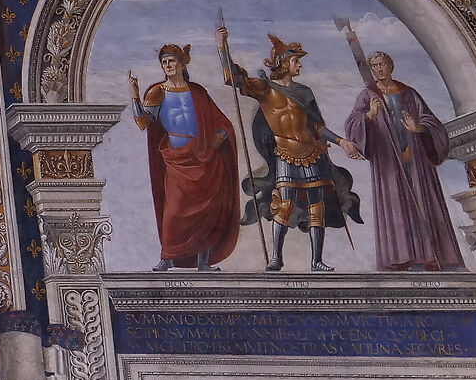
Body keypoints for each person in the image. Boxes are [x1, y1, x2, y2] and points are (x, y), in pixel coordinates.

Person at [216, 25, 363, 273]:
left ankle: (316, 261)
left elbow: (317, 127)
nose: (300, 65)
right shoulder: (265, 88)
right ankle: (276, 258)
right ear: (284, 62)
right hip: (285, 154)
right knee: (284, 205)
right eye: (296, 60)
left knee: (318, 207)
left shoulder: (305, 93)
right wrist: (222, 48)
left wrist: (342, 142)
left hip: (313, 154)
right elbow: (234, 77)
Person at [338, 22, 464, 272]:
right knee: (396, 206)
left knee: (423, 202)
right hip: (388, 160)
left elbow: (431, 122)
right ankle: (402, 257)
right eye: (373, 66)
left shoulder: (409, 93)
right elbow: (352, 123)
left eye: (382, 64)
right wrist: (370, 117)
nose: (378, 70)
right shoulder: (368, 95)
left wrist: (418, 128)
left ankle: (431, 257)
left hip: (415, 157)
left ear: (391, 66)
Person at [129, 43, 239, 271]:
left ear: (181, 63)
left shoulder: (197, 92)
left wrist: (217, 140)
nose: (167, 65)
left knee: (205, 212)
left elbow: (221, 122)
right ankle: (167, 258)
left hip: (203, 157)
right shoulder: (157, 92)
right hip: (176, 160)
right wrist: (135, 96)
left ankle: (203, 263)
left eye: (171, 61)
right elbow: (142, 122)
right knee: (174, 212)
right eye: (164, 62)